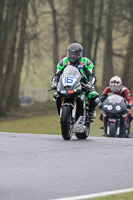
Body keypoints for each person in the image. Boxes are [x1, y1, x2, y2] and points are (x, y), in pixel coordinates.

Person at [51, 43, 99, 119]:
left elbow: (91, 75)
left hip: (83, 84)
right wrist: (54, 84)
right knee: (56, 95)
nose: (73, 56)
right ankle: (62, 114)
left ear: (80, 54)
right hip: (66, 85)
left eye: (75, 55)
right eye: (71, 54)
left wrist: (89, 83)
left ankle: (91, 111)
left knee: (94, 96)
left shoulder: (86, 62)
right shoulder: (63, 62)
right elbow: (57, 75)